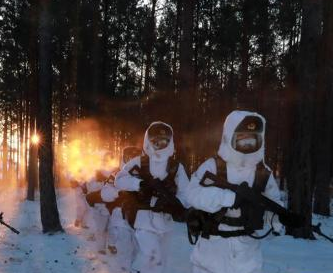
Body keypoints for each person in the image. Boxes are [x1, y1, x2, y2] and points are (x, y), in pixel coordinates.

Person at [187, 110, 283, 273]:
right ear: (229, 137)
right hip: (212, 248)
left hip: (246, 254)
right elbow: (192, 195)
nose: (247, 145)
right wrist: (228, 198)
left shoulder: (263, 173)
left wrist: (277, 219)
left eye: (252, 140)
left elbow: (272, 202)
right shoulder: (213, 166)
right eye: (242, 139)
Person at [114, 122, 191, 273]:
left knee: (161, 261)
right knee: (154, 258)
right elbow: (119, 180)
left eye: (164, 141)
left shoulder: (176, 167)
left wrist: (173, 203)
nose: (160, 144)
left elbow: (187, 193)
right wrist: (139, 184)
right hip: (143, 221)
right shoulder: (138, 162)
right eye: (156, 141)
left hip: (166, 222)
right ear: (148, 141)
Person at [100, 146, 141, 269]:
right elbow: (105, 193)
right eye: (129, 157)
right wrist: (118, 193)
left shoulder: (145, 175)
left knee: (138, 251)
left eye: (135, 157)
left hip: (141, 219)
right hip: (121, 218)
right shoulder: (117, 174)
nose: (132, 160)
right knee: (125, 250)